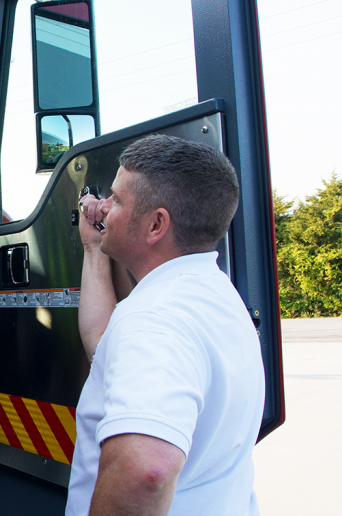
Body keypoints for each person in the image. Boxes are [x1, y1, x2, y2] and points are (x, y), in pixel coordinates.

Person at [67, 135, 264, 516]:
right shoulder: (213, 296)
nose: (103, 207)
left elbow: (146, 469)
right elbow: (103, 349)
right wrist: (93, 249)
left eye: (117, 199)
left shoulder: (155, 320)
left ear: (156, 224)